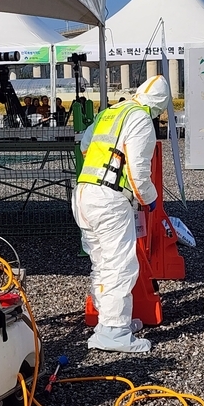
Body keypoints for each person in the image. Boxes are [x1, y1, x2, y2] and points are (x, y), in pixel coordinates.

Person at [72, 76, 170, 353]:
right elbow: (138, 172)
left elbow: (84, 147)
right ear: (160, 106)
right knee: (120, 266)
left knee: (101, 262)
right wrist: (150, 200)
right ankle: (114, 332)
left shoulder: (111, 112)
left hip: (84, 193)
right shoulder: (140, 120)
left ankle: (109, 322)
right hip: (110, 200)